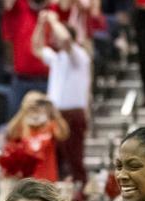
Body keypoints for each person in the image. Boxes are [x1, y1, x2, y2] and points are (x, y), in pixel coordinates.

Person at [32, 9, 90, 185]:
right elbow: (36, 47)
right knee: (56, 160)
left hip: (72, 114)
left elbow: (65, 39)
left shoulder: (79, 56)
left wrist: (54, 21)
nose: (54, 38)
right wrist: (42, 24)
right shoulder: (56, 58)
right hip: (54, 114)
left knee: (74, 158)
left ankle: (80, 191)